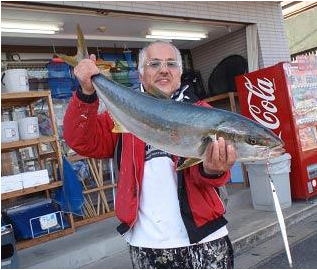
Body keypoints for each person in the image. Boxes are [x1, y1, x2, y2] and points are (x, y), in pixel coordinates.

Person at [63, 41, 237, 269]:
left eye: (171, 64)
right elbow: (81, 141)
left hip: (206, 238)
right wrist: (86, 92)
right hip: (147, 244)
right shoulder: (122, 114)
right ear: (141, 74)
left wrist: (213, 170)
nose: (164, 69)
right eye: (154, 64)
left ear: (180, 72)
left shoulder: (204, 114)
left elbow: (207, 178)